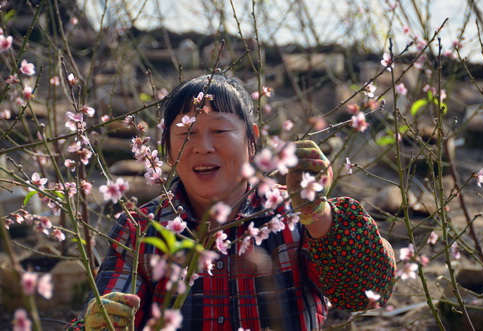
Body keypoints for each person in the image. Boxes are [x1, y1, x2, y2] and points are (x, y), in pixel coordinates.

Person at [65, 74, 396, 330]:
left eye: (220, 131)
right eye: (187, 134)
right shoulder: (141, 229)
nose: (203, 146)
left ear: (252, 140)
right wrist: (100, 321)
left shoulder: (292, 216)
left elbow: (365, 291)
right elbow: (109, 311)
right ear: (167, 150)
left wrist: (316, 212)